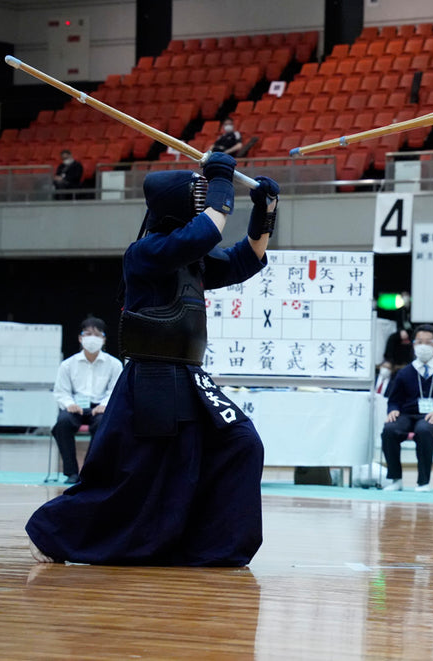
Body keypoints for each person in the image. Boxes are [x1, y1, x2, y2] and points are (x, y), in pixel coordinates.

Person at [26, 152, 279, 566]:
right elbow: (205, 232)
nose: (203, 204)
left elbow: (245, 260)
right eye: (197, 197)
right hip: (152, 377)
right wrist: (221, 182)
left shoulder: (191, 258)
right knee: (135, 476)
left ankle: (215, 545)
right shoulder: (145, 253)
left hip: (189, 375)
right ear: (177, 204)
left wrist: (264, 212)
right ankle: (51, 533)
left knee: (241, 444)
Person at [380, 324, 433, 492]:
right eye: (419, 342)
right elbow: (394, 400)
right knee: (389, 430)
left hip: (432, 417)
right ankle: (396, 479)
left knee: (424, 430)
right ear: (414, 345)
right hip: (407, 415)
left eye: (428, 342)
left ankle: (423, 482)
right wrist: (392, 409)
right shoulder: (404, 373)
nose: (423, 346)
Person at [50, 316, 123, 483]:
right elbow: (61, 391)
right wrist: (69, 404)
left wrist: (105, 405)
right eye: (88, 334)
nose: (92, 338)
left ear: (104, 339)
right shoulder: (68, 365)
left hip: (101, 408)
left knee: (103, 424)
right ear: (80, 338)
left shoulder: (114, 364)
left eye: (97, 335)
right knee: (62, 423)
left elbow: (115, 391)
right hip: (76, 407)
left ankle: (89, 472)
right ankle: (71, 472)